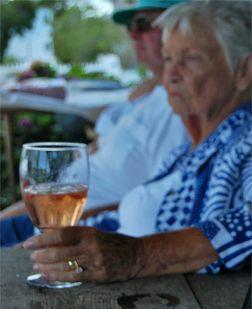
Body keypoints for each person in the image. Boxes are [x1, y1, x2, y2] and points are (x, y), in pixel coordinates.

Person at [22, 0, 252, 283]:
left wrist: (140, 255)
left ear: (243, 71)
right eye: (168, 59)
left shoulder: (245, 142)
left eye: (191, 58)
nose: (172, 74)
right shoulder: (192, 150)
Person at [0, 0, 187, 246]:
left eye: (144, 24)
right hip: (54, 208)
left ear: (182, 28)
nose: (132, 33)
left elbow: (158, 197)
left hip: (74, 225)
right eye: (132, 25)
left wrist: (47, 222)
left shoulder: (183, 109)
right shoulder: (148, 97)